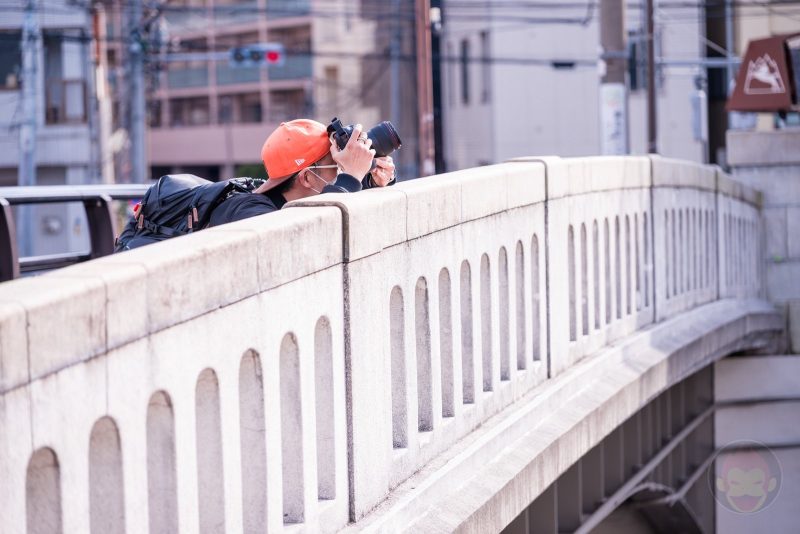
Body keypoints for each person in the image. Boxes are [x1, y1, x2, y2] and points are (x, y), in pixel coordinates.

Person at [209, 119, 395, 226]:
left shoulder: (283, 202)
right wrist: (351, 177)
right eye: (336, 166)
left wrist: (370, 180)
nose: (340, 172)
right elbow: (325, 231)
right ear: (307, 177)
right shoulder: (253, 215)